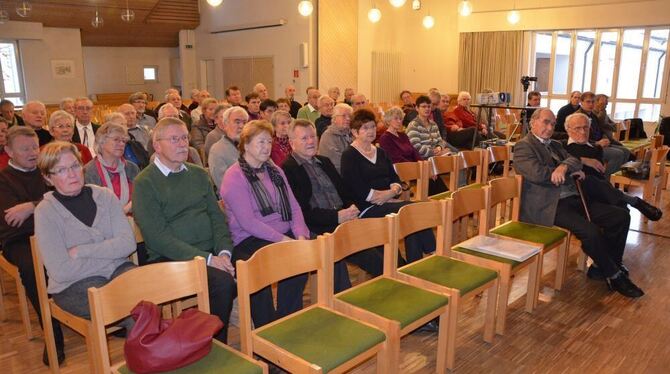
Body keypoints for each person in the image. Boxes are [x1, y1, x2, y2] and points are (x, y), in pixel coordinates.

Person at [514, 108, 645, 298]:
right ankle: (615, 276)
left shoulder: (556, 144)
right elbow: (540, 175)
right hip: (549, 205)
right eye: (545, 122)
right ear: (533, 122)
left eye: (552, 123)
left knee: (620, 216)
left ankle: (605, 266)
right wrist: (566, 170)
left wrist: (564, 166)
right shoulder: (524, 146)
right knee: (590, 231)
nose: (549, 127)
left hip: (573, 197)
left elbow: (574, 159)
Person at [132, 118, 236, 342]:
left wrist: (224, 253)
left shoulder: (198, 174)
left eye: (184, 138)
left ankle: (261, 336)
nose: (182, 144)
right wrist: (208, 259)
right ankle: (215, 345)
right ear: (157, 146)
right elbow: (157, 238)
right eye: (174, 139)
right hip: (170, 259)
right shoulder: (145, 182)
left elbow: (217, 218)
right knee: (223, 282)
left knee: (253, 262)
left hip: (210, 253)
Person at [220, 120, 310, 328]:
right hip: (248, 239)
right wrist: (284, 240)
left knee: (303, 255)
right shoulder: (234, 176)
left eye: (269, 142)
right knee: (262, 269)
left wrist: (300, 235)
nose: (266, 147)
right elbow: (248, 222)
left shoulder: (274, 171)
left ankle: (286, 320)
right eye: (261, 142)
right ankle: (266, 329)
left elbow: (294, 206)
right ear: (246, 144)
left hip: (283, 233)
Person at [283, 119, 383, 283]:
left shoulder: (324, 161)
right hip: (319, 228)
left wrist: (351, 208)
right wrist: (337, 217)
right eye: (304, 138)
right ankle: (342, 304)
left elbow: (345, 191)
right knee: (350, 256)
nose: (310, 141)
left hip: (344, 220)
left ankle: (396, 283)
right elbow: (302, 212)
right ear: (292, 143)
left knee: (381, 246)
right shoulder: (288, 169)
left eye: (313, 137)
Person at [0, 127, 65, 365]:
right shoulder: (3, 179)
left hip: (53, 232)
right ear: (8, 151)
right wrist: (46, 205)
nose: (32, 152)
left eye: (35, 147)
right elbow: (12, 221)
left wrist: (30, 206)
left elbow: (66, 197)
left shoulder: (46, 172)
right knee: (33, 267)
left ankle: (91, 311)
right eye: (25, 148)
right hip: (19, 240)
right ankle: (52, 333)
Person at [341, 109, 435, 264]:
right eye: (365, 128)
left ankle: (414, 265)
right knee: (412, 211)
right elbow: (358, 189)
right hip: (365, 209)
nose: (370, 131)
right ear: (355, 132)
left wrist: (391, 193)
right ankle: (431, 253)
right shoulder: (349, 155)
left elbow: (395, 178)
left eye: (372, 127)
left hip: (387, 202)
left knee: (412, 214)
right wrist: (385, 196)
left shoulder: (380, 152)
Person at [563, 113, 661, 220]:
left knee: (622, 210)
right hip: (577, 190)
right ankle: (633, 201)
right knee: (589, 180)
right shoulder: (562, 147)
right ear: (568, 130)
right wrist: (583, 160)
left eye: (585, 127)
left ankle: (629, 200)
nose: (582, 132)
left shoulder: (596, 148)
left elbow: (599, 175)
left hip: (599, 190)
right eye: (577, 128)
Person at [84, 122, 140, 214]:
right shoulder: (89, 171)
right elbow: (90, 207)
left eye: (123, 141)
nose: (121, 144)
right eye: (116, 139)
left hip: (132, 221)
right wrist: (122, 213)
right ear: (101, 142)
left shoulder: (132, 168)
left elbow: (140, 196)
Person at [576, 92, 630, 176]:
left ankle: (616, 179)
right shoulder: (578, 117)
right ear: (581, 102)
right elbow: (579, 138)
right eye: (588, 102)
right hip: (588, 146)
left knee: (626, 151)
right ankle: (605, 179)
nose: (591, 104)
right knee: (618, 154)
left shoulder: (592, 115)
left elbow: (601, 129)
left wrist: (605, 139)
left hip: (600, 142)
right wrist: (597, 143)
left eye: (593, 102)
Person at [208, 107, 247, 190]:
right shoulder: (217, 150)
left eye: (244, 122)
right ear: (225, 124)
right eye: (237, 122)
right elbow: (224, 185)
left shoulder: (252, 146)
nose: (241, 126)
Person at [318, 103, 353, 173]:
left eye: (350, 116)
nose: (348, 118)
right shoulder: (328, 136)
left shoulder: (352, 133)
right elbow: (338, 163)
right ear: (334, 118)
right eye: (344, 116)